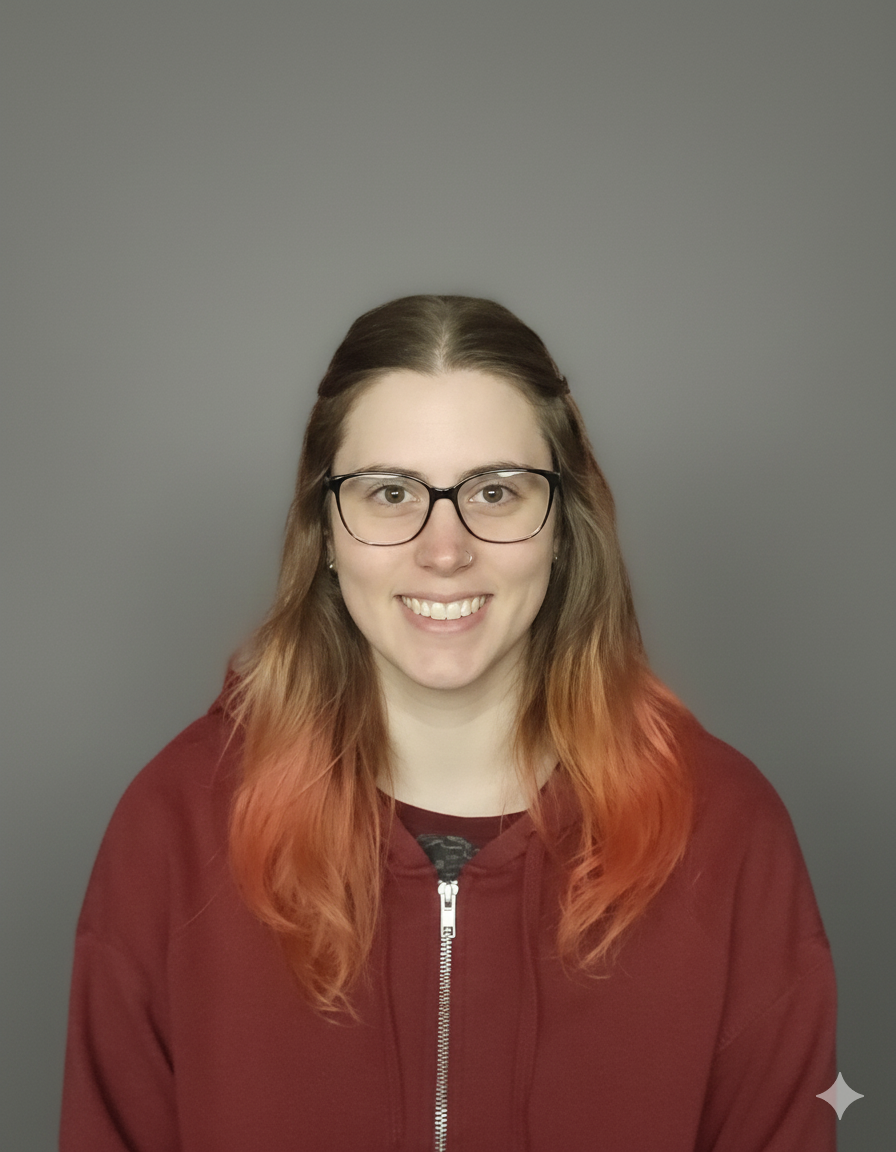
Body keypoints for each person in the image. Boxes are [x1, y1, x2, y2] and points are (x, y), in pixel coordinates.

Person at [61, 295, 836, 1151]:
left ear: (563, 529)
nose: (444, 549)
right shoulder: (172, 829)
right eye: (391, 492)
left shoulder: (726, 835)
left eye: (495, 492)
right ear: (325, 528)